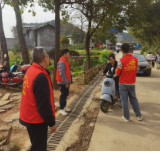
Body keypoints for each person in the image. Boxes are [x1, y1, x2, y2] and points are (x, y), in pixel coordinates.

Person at [19, 47, 57, 151]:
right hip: (36, 119)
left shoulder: (31, 70)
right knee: (39, 148)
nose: (49, 59)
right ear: (45, 58)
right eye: (48, 57)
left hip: (29, 116)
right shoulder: (40, 76)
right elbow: (43, 105)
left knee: (36, 145)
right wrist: (51, 123)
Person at [114, 43, 143, 122]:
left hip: (123, 83)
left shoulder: (121, 61)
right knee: (134, 99)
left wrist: (115, 75)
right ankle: (139, 115)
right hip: (132, 83)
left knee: (124, 101)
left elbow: (117, 73)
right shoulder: (136, 60)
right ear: (129, 50)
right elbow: (137, 69)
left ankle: (126, 117)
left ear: (122, 51)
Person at [56, 49, 71, 116]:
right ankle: (61, 109)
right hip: (63, 82)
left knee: (66, 94)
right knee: (63, 95)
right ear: (64, 54)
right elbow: (62, 73)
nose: (69, 55)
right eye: (68, 53)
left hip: (66, 81)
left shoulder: (65, 61)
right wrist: (66, 82)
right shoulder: (62, 62)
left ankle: (64, 106)